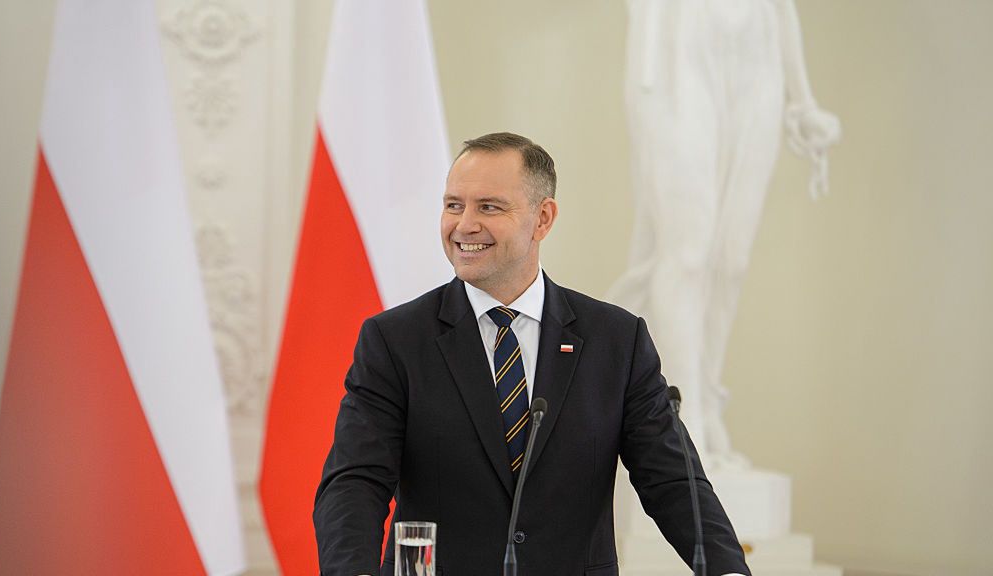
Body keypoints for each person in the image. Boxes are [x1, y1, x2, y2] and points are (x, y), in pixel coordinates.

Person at [313, 132, 749, 576]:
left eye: (489, 207)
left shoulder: (617, 340)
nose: (463, 225)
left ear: (543, 218)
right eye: (453, 205)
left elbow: (673, 481)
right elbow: (355, 481)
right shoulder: (395, 341)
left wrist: (727, 570)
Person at [609, 0, 841, 464]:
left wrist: (804, 99)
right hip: (680, 45)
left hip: (757, 52)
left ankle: (707, 401)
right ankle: (682, 414)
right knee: (688, 252)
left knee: (730, 259)